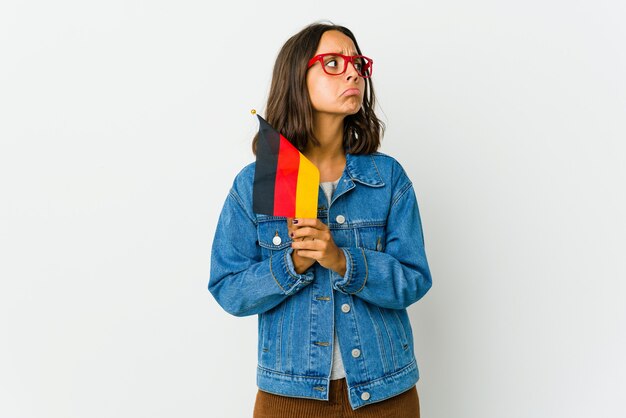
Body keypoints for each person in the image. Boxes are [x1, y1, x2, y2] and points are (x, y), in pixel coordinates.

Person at [209, 21, 432, 418]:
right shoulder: (259, 181)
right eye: (332, 62)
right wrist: (290, 265)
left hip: (386, 395)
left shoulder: (387, 179)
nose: (352, 72)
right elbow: (228, 288)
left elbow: (414, 279)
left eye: (357, 63)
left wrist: (343, 260)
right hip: (288, 399)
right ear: (297, 78)